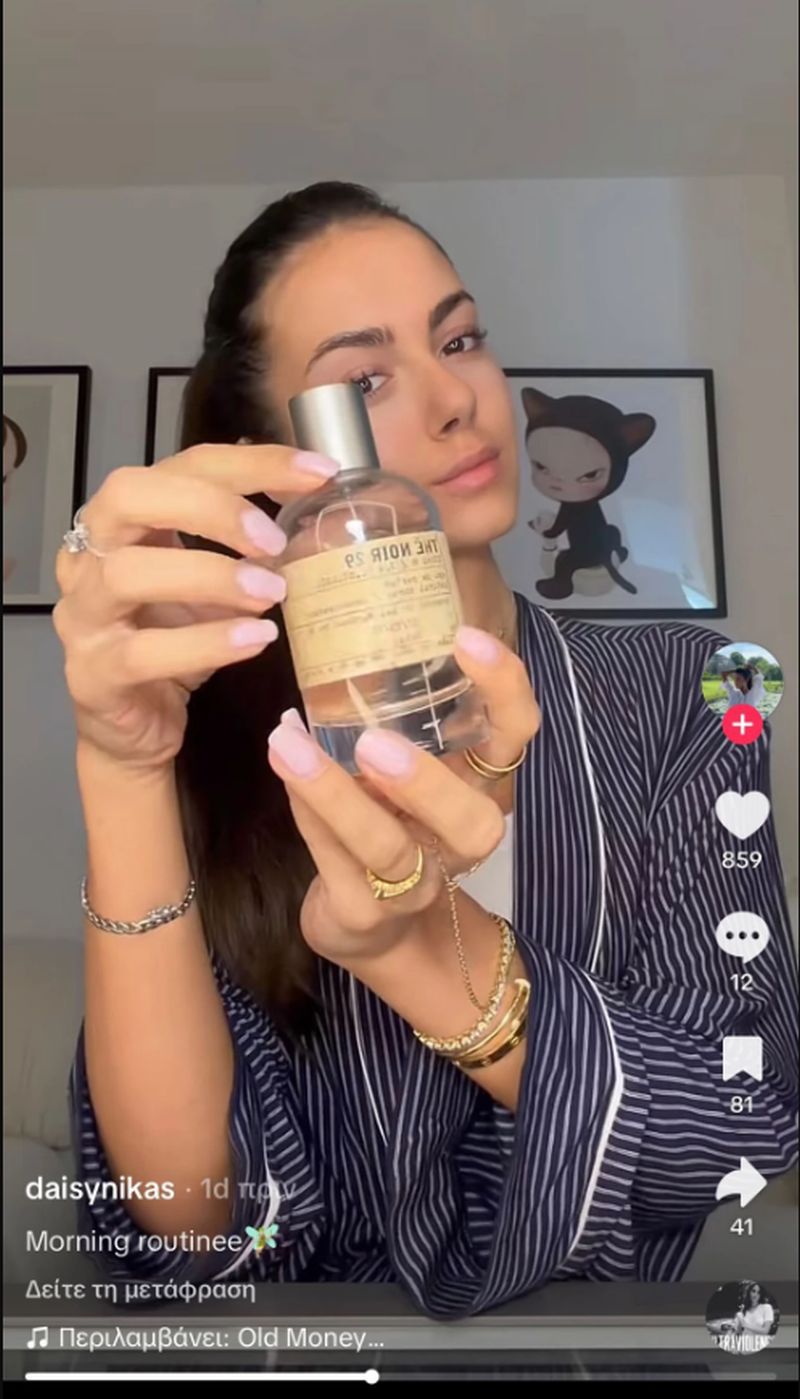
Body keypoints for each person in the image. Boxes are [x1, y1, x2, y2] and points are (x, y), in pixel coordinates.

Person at [55, 182, 798, 1321]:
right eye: (363, 381)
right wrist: (122, 766)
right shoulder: (239, 741)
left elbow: (746, 1122)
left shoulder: (689, 690)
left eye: (459, 339)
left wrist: (421, 954)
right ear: (279, 458)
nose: (458, 399)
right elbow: (193, 1228)